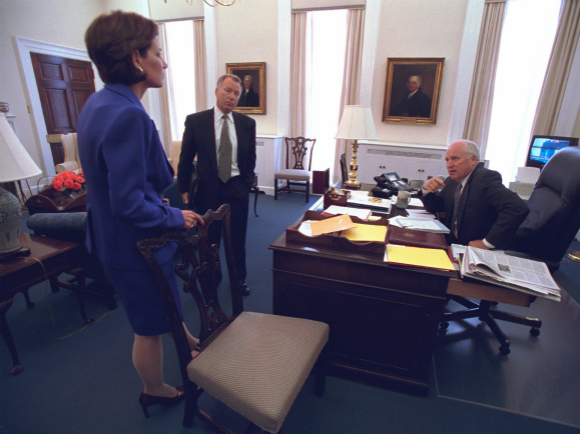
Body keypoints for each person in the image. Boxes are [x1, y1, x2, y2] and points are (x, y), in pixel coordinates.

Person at [77, 10, 204, 417]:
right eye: (158, 52)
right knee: (147, 328)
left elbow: (121, 186)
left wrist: (156, 201)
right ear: (136, 58)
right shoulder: (128, 113)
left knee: (160, 305)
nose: (164, 62)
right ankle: (155, 390)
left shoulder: (99, 103)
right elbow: (128, 203)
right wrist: (174, 217)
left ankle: (189, 342)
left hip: (116, 237)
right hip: (135, 246)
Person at [177, 74, 256, 295]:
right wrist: (183, 188)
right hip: (208, 191)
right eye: (228, 91)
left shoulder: (247, 123)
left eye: (237, 93)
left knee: (237, 239)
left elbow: (250, 159)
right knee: (209, 239)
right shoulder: (196, 121)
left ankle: (238, 279)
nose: (232, 97)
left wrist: (245, 185)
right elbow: (185, 157)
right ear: (217, 91)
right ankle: (211, 277)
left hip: (236, 189)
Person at [421, 140, 529, 250]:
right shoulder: (452, 181)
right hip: (453, 245)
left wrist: (487, 243)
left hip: (476, 251)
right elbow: (436, 206)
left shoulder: (485, 178)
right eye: (447, 160)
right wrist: (427, 190)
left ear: (473, 160)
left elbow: (517, 208)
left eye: (455, 159)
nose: (449, 165)